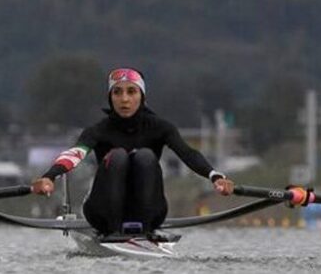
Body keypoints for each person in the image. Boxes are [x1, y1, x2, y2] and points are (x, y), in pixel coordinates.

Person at [31, 67, 234, 236]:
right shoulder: (97, 131)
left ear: (142, 96)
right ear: (110, 97)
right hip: (101, 213)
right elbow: (75, 154)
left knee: (145, 156)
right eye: (117, 92)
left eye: (131, 91)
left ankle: (144, 230)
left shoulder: (161, 128)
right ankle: (113, 229)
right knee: (118, 156)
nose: (124, 99)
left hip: (151, 213)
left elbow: (188, 153)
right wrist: (49, 177)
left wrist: (216, 177)